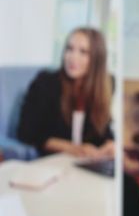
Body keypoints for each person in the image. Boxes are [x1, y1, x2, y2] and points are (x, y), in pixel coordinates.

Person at [16, 27, 114, 159]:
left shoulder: (105, 86)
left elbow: (103, 130)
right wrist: (72, 149)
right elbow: (26, 133)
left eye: (83, 52)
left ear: (97, 59)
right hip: (53, 161)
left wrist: (111, 145)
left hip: (87, 162)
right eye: (69, 49)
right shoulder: (46, 83)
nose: (73, 57)